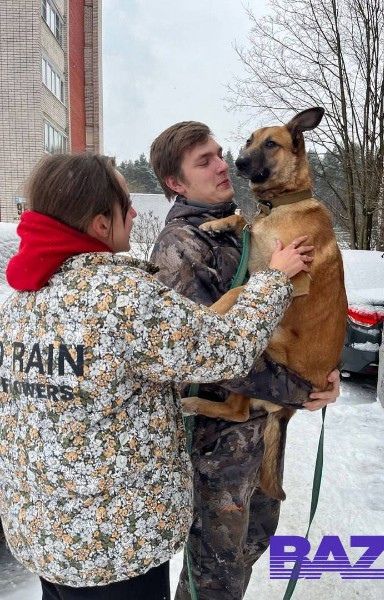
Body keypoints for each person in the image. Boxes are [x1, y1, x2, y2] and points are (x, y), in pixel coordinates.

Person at [0, 153, 312, 600]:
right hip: (115, 547)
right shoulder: (124, 299)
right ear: (99, 224)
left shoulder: (22, 306)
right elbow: (226, 351)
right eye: (124, 203)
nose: (133, 212)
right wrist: (274, 280)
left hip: (47, 537)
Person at [150, 121, 341, 600]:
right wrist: (303, 390)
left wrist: (322, 372)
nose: (224, 165)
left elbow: (300, 309)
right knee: (215, 574)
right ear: (176, 183)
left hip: (255, 433)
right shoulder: (181, 248)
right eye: (204, 161)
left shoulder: (244, 224)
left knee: (249, 548)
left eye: (220, 153)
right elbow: (211, 356)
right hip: (218, 450)